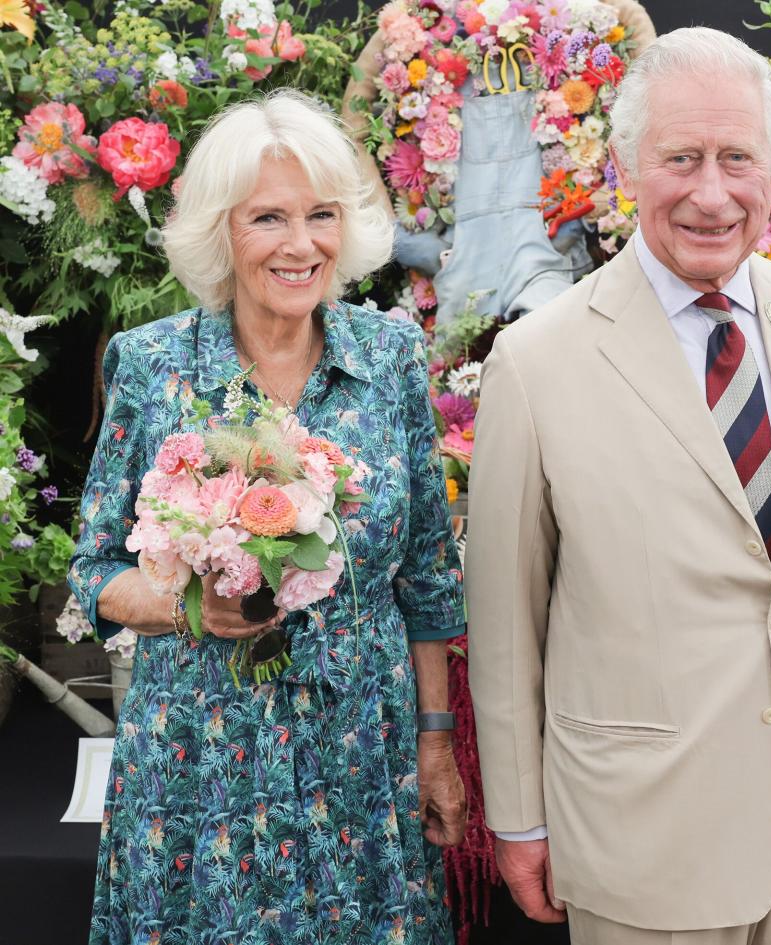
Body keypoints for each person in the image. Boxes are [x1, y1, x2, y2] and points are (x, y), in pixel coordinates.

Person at [466, 27, 771, 945]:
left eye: (738, 158)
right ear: (624, 168)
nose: (711, 192)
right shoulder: (536, 363)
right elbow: (503, 621)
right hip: (642, 840)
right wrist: (521, 818)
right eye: (680, 158)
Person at [68, 89, 467, 945]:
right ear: (221, 231)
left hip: (366, 759)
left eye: (322, 215)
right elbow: (95, 569)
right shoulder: (151, 366)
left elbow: (428, 572)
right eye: (269, 219)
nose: (301, 244)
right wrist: (186, 606)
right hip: (201, 769)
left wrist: (437, 745)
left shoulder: (390, 357)